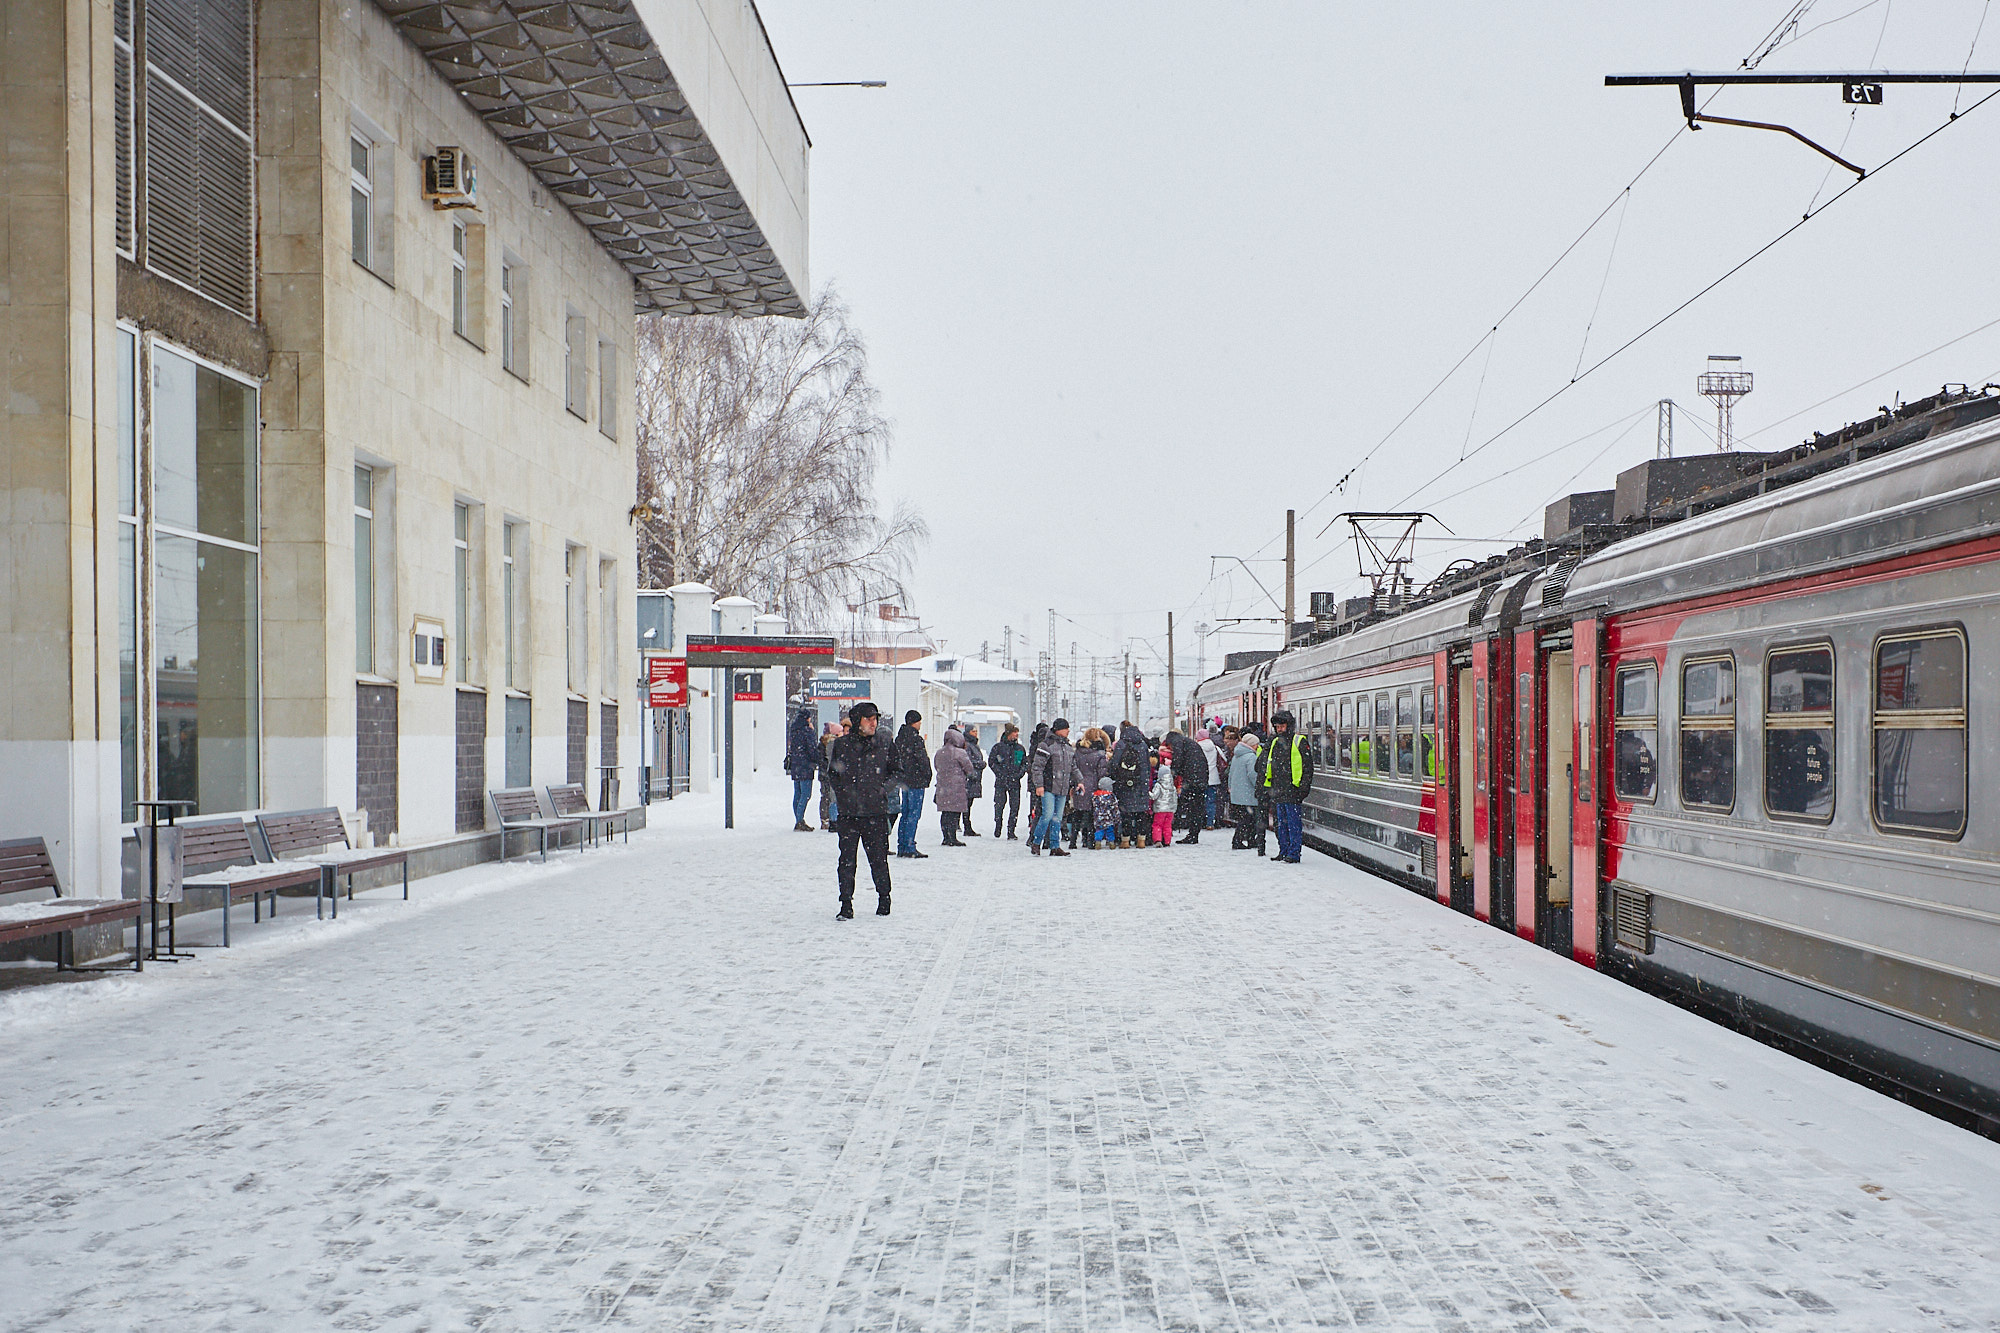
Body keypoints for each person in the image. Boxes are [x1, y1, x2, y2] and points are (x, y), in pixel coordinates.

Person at [824, 702, 905, 920]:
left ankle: (884, 897)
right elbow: (833, 774)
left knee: (878, 859)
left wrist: (882, 789)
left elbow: (897, 772)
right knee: (847, 860)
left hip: (875, 812)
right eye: (868, 719)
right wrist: (843, 794)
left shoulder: (884, 743)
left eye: (875, 719)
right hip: (849, 813)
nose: (873, 723)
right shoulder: (843, 745)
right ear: (857, 720)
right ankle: (846, 903)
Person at [1260, 709, 1315, 863]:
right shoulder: (1275, 742)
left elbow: (1307, 767)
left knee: (1292, 824)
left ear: (1289, 726)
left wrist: (1302, 788)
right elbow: (1270, 765)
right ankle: (1284, 851)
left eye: (1282, 726)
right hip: (1279, 790)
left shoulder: (1299, 741)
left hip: (1293, 790)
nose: (1279, 729)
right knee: (1281, 825)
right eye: (1277, 727)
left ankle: (1293, 853)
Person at [1027, 718, 1076, 857]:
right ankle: (1036, 842)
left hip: (1062, 787)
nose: (1068, 731)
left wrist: (1079, 781)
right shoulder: (1046, 745)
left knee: (1057, 817)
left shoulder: (1067, 747)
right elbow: (1037, 767)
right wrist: (1039, 785)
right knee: (1047, 815)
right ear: (1058, 729)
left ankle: (1055, 846)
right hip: (1049, 786)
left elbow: (1073, 766)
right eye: (1066, 728)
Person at [893, 710, 933, 859]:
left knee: (905, 813)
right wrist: (927, 775)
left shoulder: (899, 738)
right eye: (919, 722)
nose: (920, 724)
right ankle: (909, 845)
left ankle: (902, 845)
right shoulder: (916, 739)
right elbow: (922, 760)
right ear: (914, 722)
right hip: (916, 780)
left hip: (904, 780)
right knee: (914, 814)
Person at [1110, 722, 1151, 848]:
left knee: (1126, 813)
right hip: (1141, 782)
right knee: (1141, 813)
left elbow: (1115, 764)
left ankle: (1125, 841)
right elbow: (1147, 766)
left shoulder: (1121, 744)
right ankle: (1141, 840)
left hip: (1125, 782)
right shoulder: (1143, 744)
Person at [1070, 728, 1111, 849]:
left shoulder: (1078, 751)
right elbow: (1102, 772)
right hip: (1093, 786)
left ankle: (1073, 840)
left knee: (1078, 813)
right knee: (1091, 815)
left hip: (1079, 785)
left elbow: (1073, 768)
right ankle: (1089, 841)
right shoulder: (1099, 754)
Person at [933, 726, 974, 846]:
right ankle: (952, 837)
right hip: (957, 787)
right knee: (954, 813)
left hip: (942, 786)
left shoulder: (939, 752)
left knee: (945, 812)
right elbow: (969, 768)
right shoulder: (960, 752)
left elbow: (936, 766)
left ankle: (946, 837)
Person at [1168, 729, 1209, 844]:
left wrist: (1172, 773)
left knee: (1192, 807)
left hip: (1192, 780)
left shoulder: (1178, 742)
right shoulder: (1187, 742)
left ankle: (1192, 834)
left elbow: (1177, 759)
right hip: (1200, 778)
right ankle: (1194, 833)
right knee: (1197, 807)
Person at [987, 723, 1027, 838]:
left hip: (1015, 782)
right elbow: (992, 762)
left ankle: (1011, 830)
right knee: (999, 805)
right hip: (1001, 782)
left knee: (1014, 807)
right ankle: (998, 824)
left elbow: (1025, 763)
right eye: (1014, 732)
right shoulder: (998, 747)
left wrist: (1019, 774)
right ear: (1009, 733)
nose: (1016, 735)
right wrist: (1000, 773)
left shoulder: (1020, 749)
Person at [785, 702, 821, 832]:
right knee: (806, 794)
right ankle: (800, 821)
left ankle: (798, 819)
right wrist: (818, 759)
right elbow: (812, 749)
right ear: (807, 719)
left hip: (796, 765)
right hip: (806, 766)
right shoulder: (807, 731)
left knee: (798, 794)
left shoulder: (794, 730)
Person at [1230, 727, 1264, 853]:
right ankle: (1239, 841)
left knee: (1244, 819)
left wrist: (1231, 787)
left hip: (1238, 793)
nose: (1257, 746)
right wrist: (1259, 787)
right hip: (1248, 793)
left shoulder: (1236, 756)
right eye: (1256, 744)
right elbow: (1253, 775)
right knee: (1248, 819)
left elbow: (1231, 773)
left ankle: (1245, 840)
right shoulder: (1251, 757)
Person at [1149, 750, 1178, 847]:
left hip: (1160, 809)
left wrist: (1147, 792)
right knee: (1167, 826)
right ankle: (1167, 841)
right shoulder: (1172, 786)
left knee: (1157, 825)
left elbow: (1154, 796)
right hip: (1170, 810)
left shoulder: (1159, 785)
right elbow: (1175, 798)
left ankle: (1158, 840)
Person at [961, 724, 985, 836]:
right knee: (966, 803)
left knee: (969, 803)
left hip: (974, 777)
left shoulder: (974, 744)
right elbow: (968, 760)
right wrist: (980, 764)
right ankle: (966, 826)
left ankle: (967, 826)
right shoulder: (967, 745)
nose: (975, 733)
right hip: (970, 777)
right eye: (973, 731)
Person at [1198, 727, 1225, 829]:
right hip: (1213, 778)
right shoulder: (1215, 747)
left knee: (1200, 801)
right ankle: (1210, 822)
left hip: (1201, 777)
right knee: (1211, 801)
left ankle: (1201, 822)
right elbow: (1224, 759)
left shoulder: (1197, 747)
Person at [819, 722, 842, 830]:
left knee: (827, 797)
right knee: (832, 797)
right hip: (830, 773)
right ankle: (833, 820)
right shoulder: (833, 743)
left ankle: (827, 820)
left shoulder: (824, 742)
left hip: (825, 773)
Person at [1090, 778, 1120, 848]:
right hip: (1109, 818)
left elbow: (1094, 807)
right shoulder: (1111, 796)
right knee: (1110, 831)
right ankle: (1111, 843)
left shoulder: (1095, 796)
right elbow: (1114, 808)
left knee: (1099, 830)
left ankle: (1098, 842)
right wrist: (1117, 817)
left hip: (1098, 818)